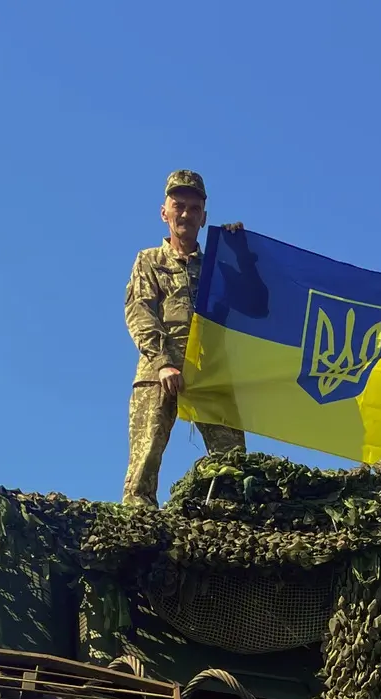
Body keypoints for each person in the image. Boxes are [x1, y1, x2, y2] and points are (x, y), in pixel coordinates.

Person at [122, 169, 246, 505]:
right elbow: (140, 312)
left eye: (194, 208)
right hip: (160, 369)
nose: (186, 214)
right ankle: (139, 524)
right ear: (164, 212)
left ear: (204, 218)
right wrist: (163, 363)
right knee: (144, 461)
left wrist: (241, 256)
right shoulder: (149, 261)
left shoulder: (217, 268)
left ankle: (228, 519)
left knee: (234, 463)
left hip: (209, 371)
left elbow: (257, 307)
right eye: (179, 206)